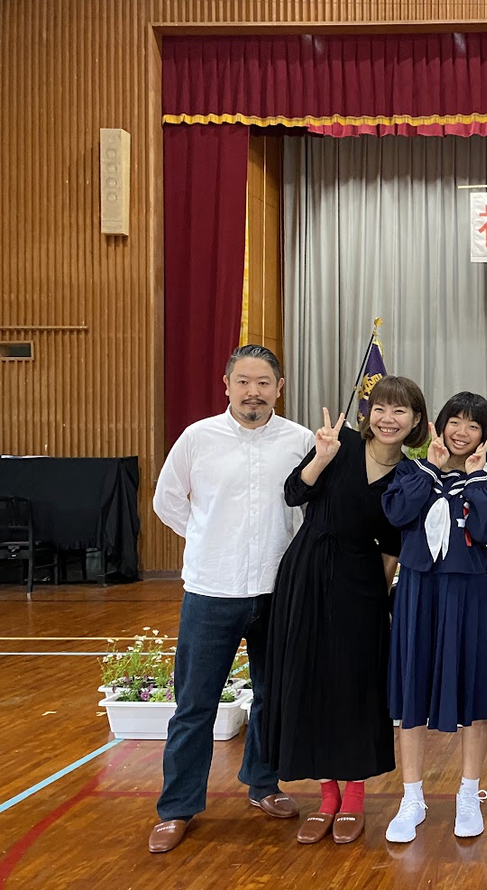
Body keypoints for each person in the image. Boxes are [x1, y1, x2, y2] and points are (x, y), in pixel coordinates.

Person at [148, 345, 312, 854]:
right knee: (195, 704)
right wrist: (205, 537)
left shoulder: (300, 441)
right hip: (211, 590)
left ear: (279, 388)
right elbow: (167, 501)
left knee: (271, 696)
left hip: (278, 591)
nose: (252, 392)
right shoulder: (197, 438)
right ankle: (177, 807)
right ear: (226, 385)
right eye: (243, 381)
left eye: (263, 383)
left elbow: (309, 509)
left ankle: (263, 784)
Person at [261, 376, 429, 845]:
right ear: (368, 413)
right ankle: (326, 796)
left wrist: (377, 598)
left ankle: (354, 795)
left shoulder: (411, 476)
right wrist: (321, 457)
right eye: (381, 408)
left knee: (355, 685)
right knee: (309, 679)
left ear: (416, 420)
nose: (388, 419)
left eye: (400, 411)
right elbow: (294, 493)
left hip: (361, 581)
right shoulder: (341, 445)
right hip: (307, 571)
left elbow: (392, 547)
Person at [380, 391, 487, 844]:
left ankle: (469, 794)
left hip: (467, 594)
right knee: (411, 693)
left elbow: (485, 529)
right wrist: (432, 470)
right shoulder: (411, 472)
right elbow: (397, 514)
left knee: (473, 694)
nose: (462, 432)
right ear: (439, 425)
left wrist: (473, 479)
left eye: (473, 425)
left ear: (486, 436)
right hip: (418, 592)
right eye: (455, 421)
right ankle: (412, 797)